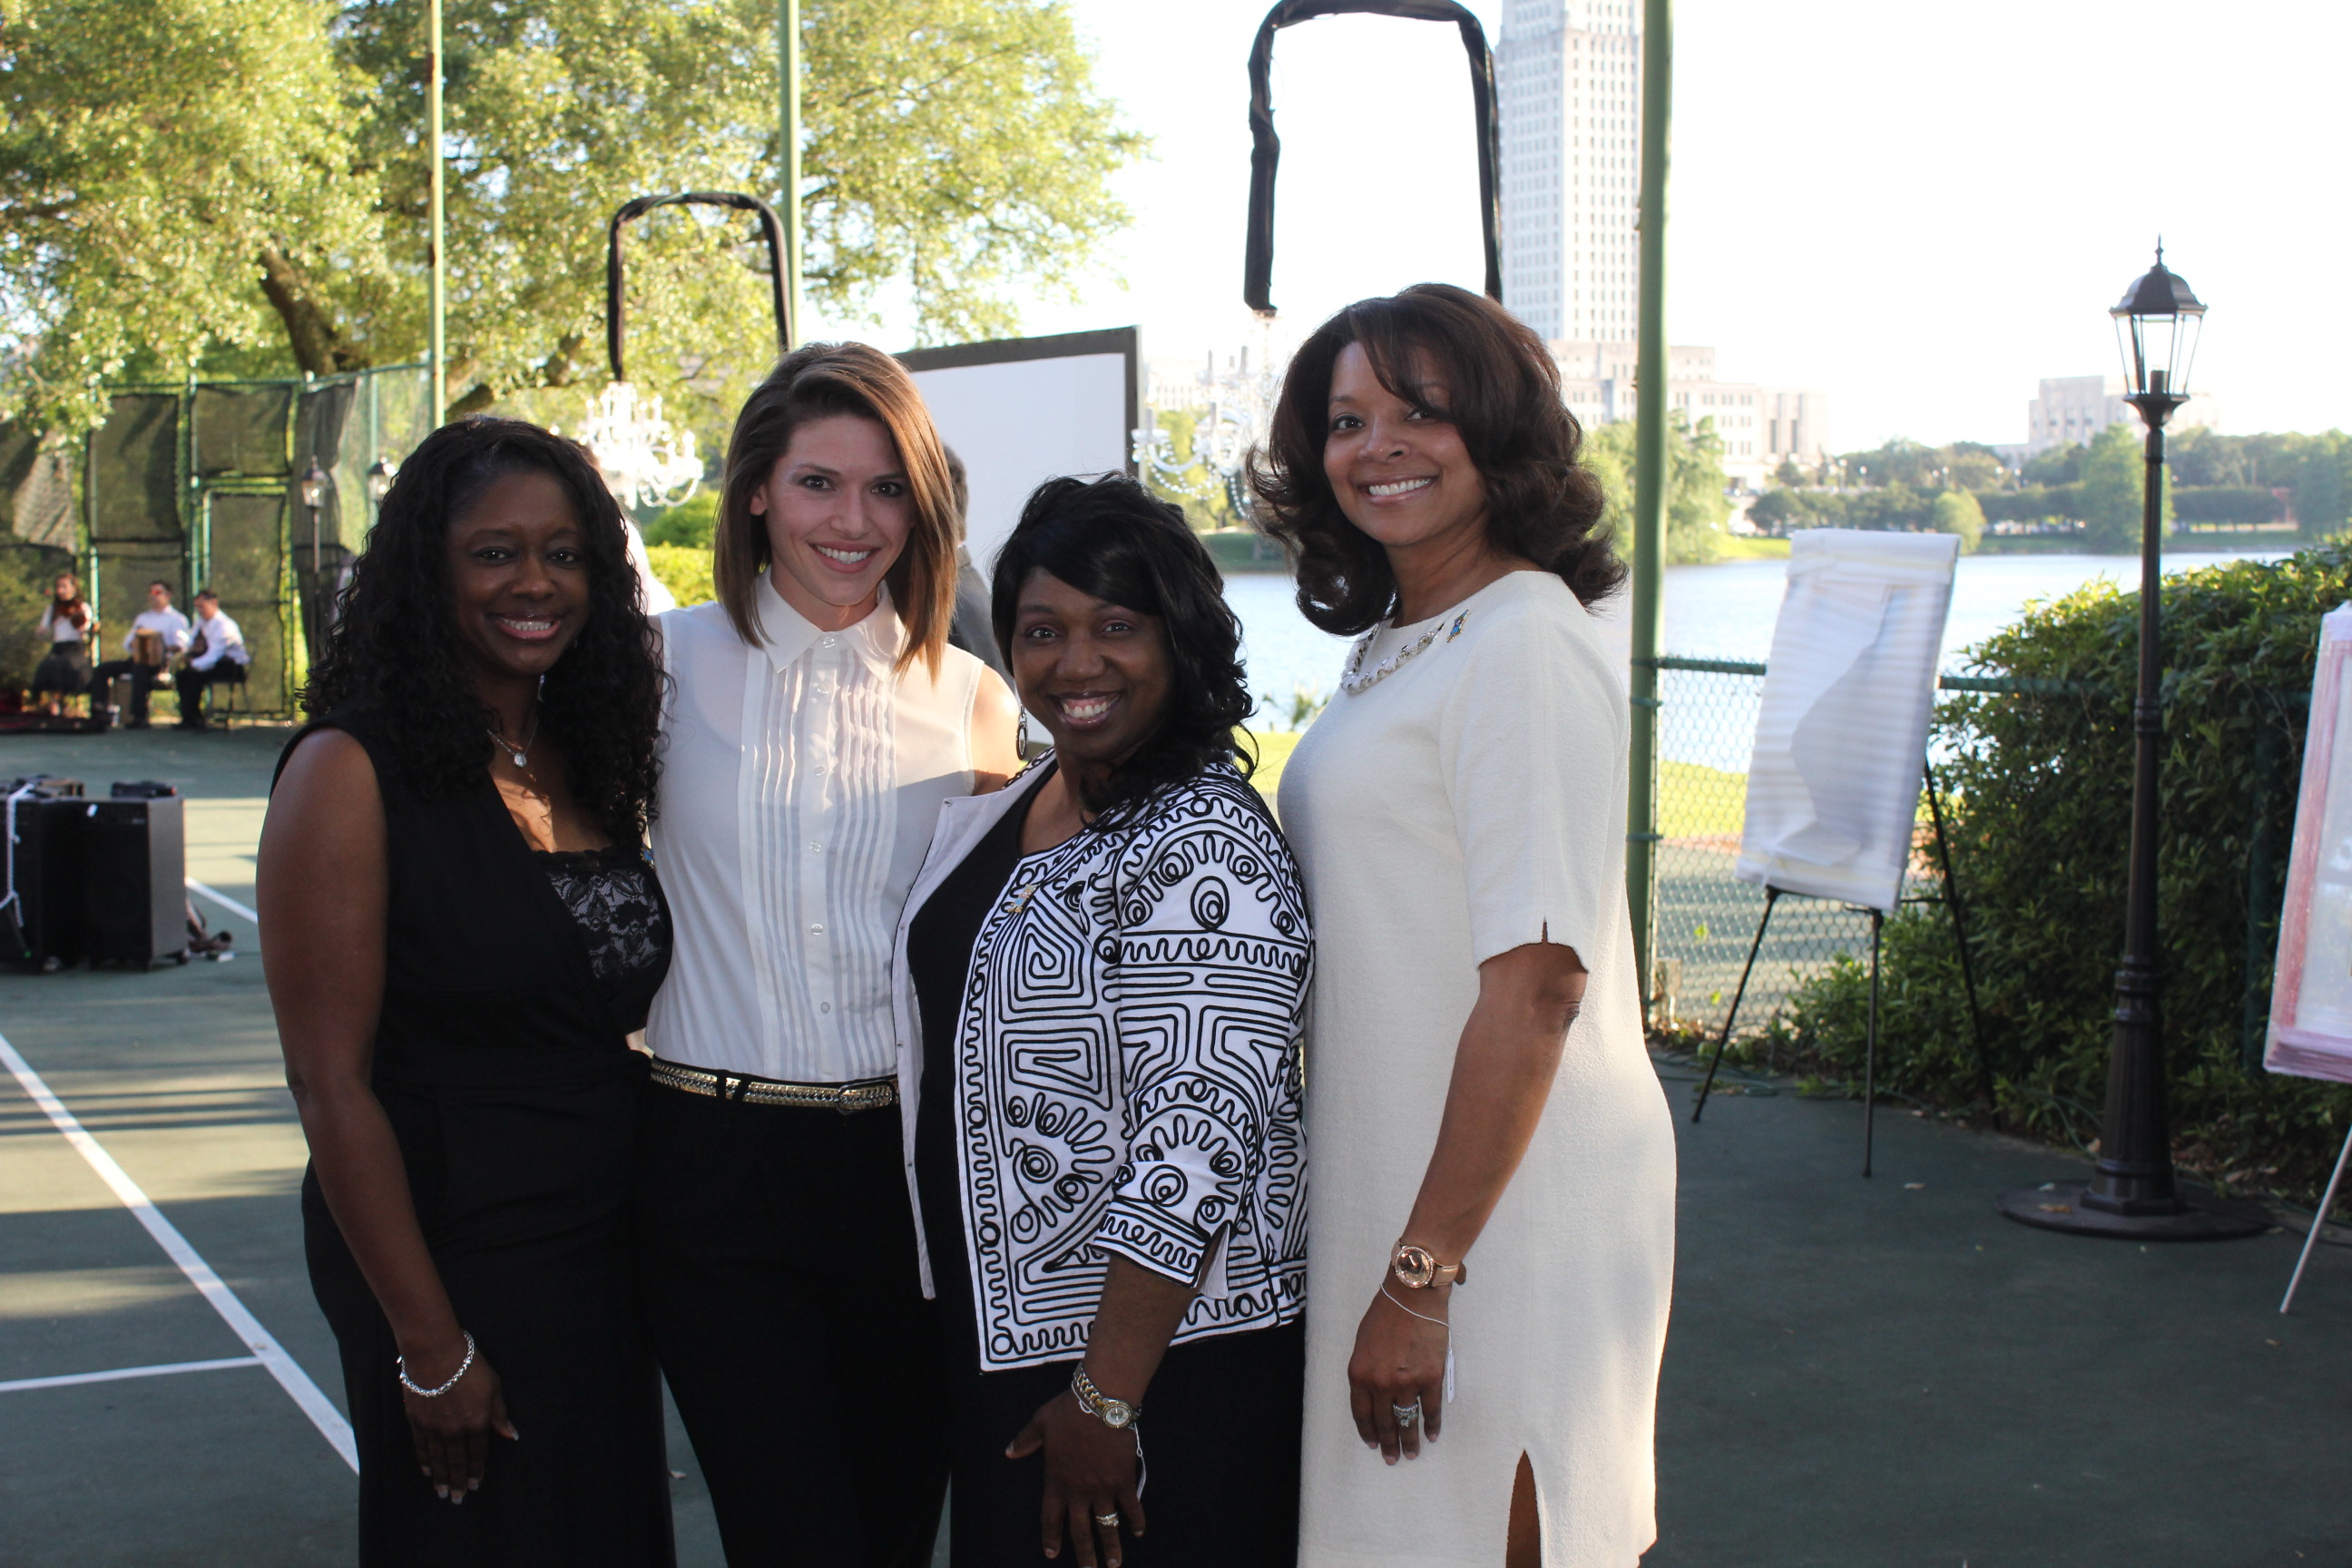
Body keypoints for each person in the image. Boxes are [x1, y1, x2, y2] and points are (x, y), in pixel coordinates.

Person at [1253, 283, 1676, 1568]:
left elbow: (1540, 985)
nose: (1377, 446)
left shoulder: (1522, 639)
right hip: (1400, 1171)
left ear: (1495, 431)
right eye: (1347, 420)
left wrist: (1422, 1274)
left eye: (1421, 412)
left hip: (1500, 1208)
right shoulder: (1406, 640)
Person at [257, 416, 676, 1566]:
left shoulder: (582, 752)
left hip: (596, 1245)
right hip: (449, 1250)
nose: (536, 583)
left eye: (564, 553)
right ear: (426, 571)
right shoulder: (347, 769)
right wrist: (431, 1345)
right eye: (495, 553)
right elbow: (329, 1084)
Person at [637, 341, 1021, 1567]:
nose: (854, 522)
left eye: (887, 489)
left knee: (895, 1532)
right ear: (756, 490)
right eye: (819, 483)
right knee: (789, 1534)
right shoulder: (654, 665)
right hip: (711, 1165)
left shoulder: (972, 696)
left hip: (907, 1176)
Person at [895, 474, 1310, 1568]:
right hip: (1014, 1347)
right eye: (1043, 631)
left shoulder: (1205, 841)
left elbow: (1198, 1139)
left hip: (1162, 1369)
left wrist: (1107, 1396)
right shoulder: (1026, 796)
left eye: (1116, 626)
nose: (1075, 663)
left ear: (1178, 637)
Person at [91, 580, 191, 729]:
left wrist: (159, 648)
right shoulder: (143, 618)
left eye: (157, 592)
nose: (153, 595)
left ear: (168, 595)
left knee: (140, 670)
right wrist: (138, 644)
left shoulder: (176, 619)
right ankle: (99, 711)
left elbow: (182, 643)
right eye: (151, 592)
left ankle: (139, 716)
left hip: (160, 663)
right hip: (138, 660)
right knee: (103, 669)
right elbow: (128, 643)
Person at [174, 589, 250, 730]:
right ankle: (189, 717)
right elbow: (190, 641)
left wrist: (193, 663)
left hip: (230, 668)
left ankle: (195, 718)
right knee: (182, 675)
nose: (199, 610)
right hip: (211, 664)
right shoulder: (201, 622)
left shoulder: (225, 626)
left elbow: (214, 655)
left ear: (214, 603)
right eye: (197, 607)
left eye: (202, 606)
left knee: (193, 676)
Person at [31, 572, 94, 715]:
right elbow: (44, 628)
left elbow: (85, 629)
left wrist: (79, 623)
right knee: (46, 665)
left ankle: (65, 702)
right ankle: (52, 703)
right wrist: (41, 631)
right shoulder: (53, 608)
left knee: (67, 665)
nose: (60, 590)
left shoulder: (82, 607)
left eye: (64, 586)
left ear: (73, 588)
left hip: (75, 648)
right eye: (58, 587)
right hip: (58, 647)